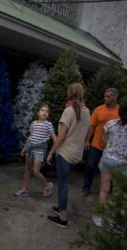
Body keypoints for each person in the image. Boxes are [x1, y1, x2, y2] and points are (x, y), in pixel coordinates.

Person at [46, 83, 90, 228]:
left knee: (63, 184)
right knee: (65, 182)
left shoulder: (69, 111)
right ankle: (61, 207)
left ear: (69, 94)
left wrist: (51, 152)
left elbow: (61, 137)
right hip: (76, 154)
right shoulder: (86, 111)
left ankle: (63, 217)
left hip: (65, 154)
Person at [92, 97, 127, 227]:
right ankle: (113, 221)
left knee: (104, 190)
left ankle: (99, 217)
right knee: (118, 193)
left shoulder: (110, 124)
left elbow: (104, 141)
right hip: (124, 164)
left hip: (108, 159)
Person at [82, 88, 119, 196]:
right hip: (96, 144)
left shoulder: (120, 112)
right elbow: (92, 126)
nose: (105, 98)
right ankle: (86, 187)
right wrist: (87, 140)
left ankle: (109, 189)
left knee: (111, 170)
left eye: (108, 96)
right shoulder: (99, 109)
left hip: (111, 148)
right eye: (104, 96)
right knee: (90, 166)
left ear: (115, 97)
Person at [15, 104, 56, 198]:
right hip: (30, 148)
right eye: (42, 110)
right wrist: (24, 148)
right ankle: (24, 189)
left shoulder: (48, 125)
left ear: (48, 115)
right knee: (27, 169)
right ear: (38, 113)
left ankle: (47, 185)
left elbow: (55, 138)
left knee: (36, 171)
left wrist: (53, 151)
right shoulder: (34, 123)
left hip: (40, 149)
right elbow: (30, 136)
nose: (44, 112)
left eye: (46, 111)